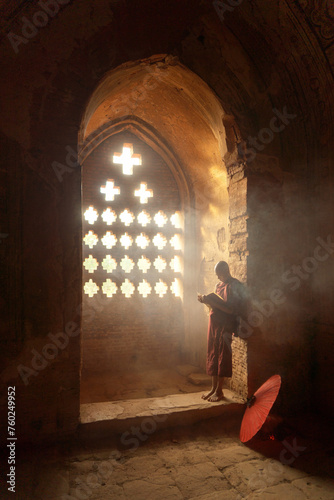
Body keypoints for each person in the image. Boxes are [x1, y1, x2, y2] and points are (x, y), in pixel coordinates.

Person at [198, 261, 243, 402]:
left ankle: (219, 390)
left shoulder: (234, 286)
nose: (218, 278)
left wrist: (214, 303)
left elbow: (230, 310)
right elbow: (215, 304)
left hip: (225, 325)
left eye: (219, 275)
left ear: (226, 271)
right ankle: (213, 388)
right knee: (213, 352)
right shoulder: (218, 286)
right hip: (214, 323)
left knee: (222, 354)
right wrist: (205, 300)